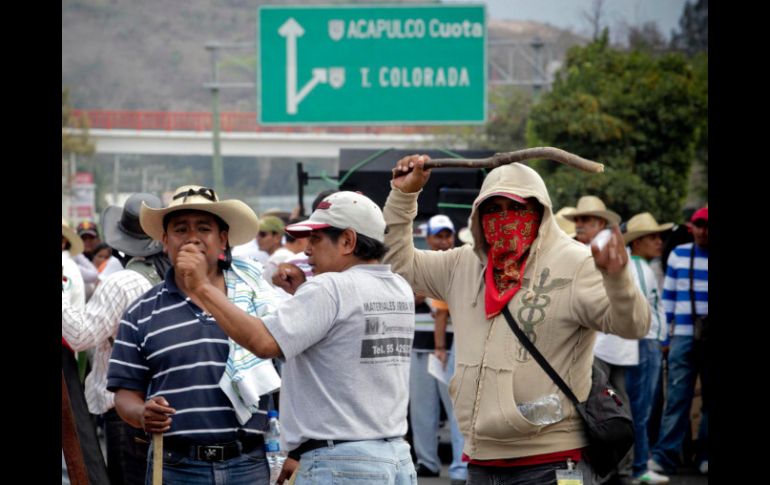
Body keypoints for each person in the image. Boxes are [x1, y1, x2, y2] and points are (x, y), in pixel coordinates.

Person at [383, 154, 650, 484]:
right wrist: (404, 196)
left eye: (518, 208)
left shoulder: (576, 263)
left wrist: (618, 279)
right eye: (493, 210)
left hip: (555, 461)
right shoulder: (461, 265)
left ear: (540, 211)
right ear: (478, 215)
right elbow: (397, 266)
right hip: (481, 460)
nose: (506, 220)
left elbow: (634, 325)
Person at [179, 190, 417, 485]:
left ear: (348, 241)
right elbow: (344, 332)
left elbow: (263, 342)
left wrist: (202, 286)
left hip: (340, 462)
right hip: (393, 456)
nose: (306, 250)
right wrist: (303, 291)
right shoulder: (398, 287)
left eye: (316, 239)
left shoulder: (329, 289)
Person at [107, 185, 282, 485]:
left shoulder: (257, 300)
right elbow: (125, 393)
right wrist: (141, 414)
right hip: (176, 466)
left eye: (204, 228)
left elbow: (286, 368)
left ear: (222, 240)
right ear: (164, 241)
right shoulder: (140, 312)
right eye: (180, 229)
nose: (192, 237)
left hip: (248, 465)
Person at [62, 193, 173, 485]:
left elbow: (80, 335)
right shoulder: (178, 277)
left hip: (128, 412)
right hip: (170, 409)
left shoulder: (123, 282)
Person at [408, 214, 467, 483]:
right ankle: (427, 462)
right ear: (428, 237)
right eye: (438, 236)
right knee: (421, 410)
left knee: (456, 410)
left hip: (452, 347)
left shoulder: (459, 262)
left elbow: (420, 294)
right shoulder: (417, 261)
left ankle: (460, 464)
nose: (443, 241)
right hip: (419, 344)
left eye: (447, 235)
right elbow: (408, 294)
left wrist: (422, 291)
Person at [649, 207, 708, 476]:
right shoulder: (679, 254)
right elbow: (668, 299)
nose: (703, 231)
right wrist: (665, 337)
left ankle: (704, 455)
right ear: (691, 227)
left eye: (707, 226)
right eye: (699, 225)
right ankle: (665, 455)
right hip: (683, 335)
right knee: (676, 397)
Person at [622, 213, 673, 484]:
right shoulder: (638, 269)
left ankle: (638, 464)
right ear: (639, 241)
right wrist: (656, 337)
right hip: (644, 342)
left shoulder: (643, 267)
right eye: (653, 237)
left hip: (647, 341)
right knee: (641, 408)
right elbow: (644, 311)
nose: (659, 242)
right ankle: (639, 467)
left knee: (641, 407)